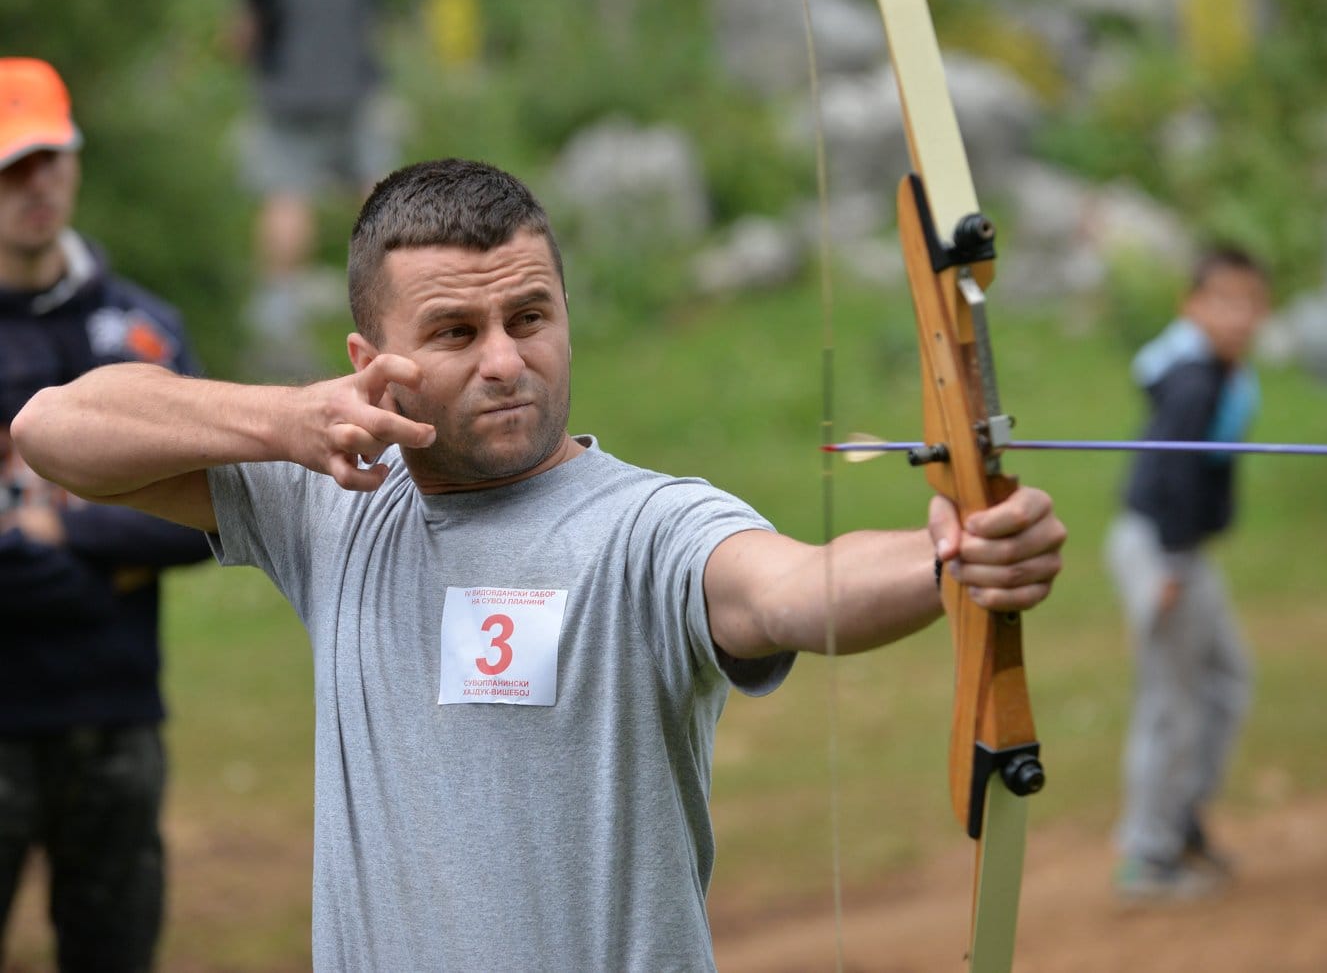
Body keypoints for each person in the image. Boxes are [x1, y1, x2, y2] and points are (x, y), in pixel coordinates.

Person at [13, 158, 1067, 970]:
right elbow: (54, 429)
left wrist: (948, 559)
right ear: (369, 362)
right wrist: (283, 420)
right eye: (454, 331)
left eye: (529, 318)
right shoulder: (331, 500)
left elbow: (792, 587)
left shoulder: (649, 527)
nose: (506, 361)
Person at [0, 58, 211, 971]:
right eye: (12, 166)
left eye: (49, 158)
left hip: (115, 714)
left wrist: (59, 530)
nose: (36, 185)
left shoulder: (144, 332)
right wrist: (104, 557)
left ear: (76, 160)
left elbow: (205, 514)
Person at [1106, 246, 1270, 902]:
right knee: (1170, 704)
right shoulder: (1192, 380)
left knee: (1226, 680)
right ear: (1191, 306)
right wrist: (1171, 563)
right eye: (1223, 301)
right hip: (1162, 549)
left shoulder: (1221, 372)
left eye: (1250, 302)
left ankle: (1179, 819)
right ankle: (1147, 855)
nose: (1238, 315)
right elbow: (1170, 471)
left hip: (1183, 551)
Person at [231, 0, 400, 378]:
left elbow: (248, 28)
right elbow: (373, 17)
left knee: (287, 197)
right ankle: (399, 293)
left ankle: (277, 319)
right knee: (376, 191)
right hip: (354, 84)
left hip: (290, 91)